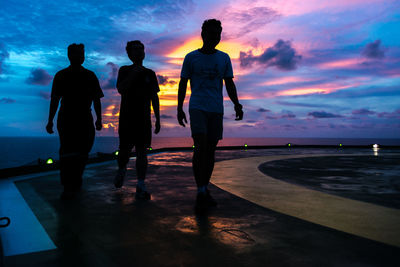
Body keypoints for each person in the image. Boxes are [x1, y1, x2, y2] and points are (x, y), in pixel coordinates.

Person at [177, 19, 243, 210]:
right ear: (203, 34)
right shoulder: (191, 58)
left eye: (218, 33)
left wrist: (237, 104)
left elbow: (229, 83)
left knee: (210, 150)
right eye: (212, 33)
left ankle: (204, 188)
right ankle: (200, 190)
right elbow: (183, 83)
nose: (216, 37)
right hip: (197, 107)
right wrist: (179, 108)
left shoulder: (224, 58)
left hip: (216, 108)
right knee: (200, 146)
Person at [46, 43, 103, 200]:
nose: (80, 56)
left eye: (82, 54)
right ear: (69, 56)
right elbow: (55, 100)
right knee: (66, 151)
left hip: (85, 117)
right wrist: (50, 120)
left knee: (84, 150)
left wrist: (99, 119)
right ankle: (67, 186)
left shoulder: (90, 75)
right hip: (67, 118)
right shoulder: (61, 75)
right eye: (77, 53)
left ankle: (76, 178)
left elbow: (97, 99)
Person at [114, 40, 161, 200]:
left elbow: (154, 96)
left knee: (142, 152)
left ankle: (141, 184)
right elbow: (121, 88)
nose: (139, 52)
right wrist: (134, 73)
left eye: (141, 49)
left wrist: (158, 118)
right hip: (127, 118)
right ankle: (121, 170)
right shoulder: (124, 70)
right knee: (124, 151)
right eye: (135, 50)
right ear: (129, 53)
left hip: (143, 119)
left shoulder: (150, 73)